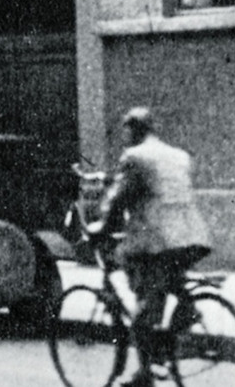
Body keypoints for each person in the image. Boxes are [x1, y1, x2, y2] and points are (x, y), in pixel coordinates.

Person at [93, 107, 213, 387]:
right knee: (165, 282)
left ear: (132, 129)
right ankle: (184, 312)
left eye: (125, 130)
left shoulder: (134, 156)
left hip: (159, 241)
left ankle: (144, 374)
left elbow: (118, 199)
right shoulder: (179, 155)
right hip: (191, 236)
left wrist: (101, 227)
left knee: (139, 298)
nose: (123, 136)